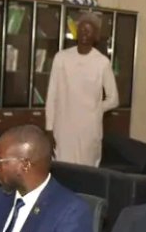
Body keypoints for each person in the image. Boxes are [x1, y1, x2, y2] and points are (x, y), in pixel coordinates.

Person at [45, 12, 118, 167]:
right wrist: (49, 129)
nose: (85, 33)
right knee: (62, 168)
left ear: (96, 36)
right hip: (63, 129)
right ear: (76, 32)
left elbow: (113, 99)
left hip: (89, 130)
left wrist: (95, 109)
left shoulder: (102, 62)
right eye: (82, 29)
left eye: (89, 31)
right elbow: (52, 96)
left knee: (86, 171)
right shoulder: (61, 58)